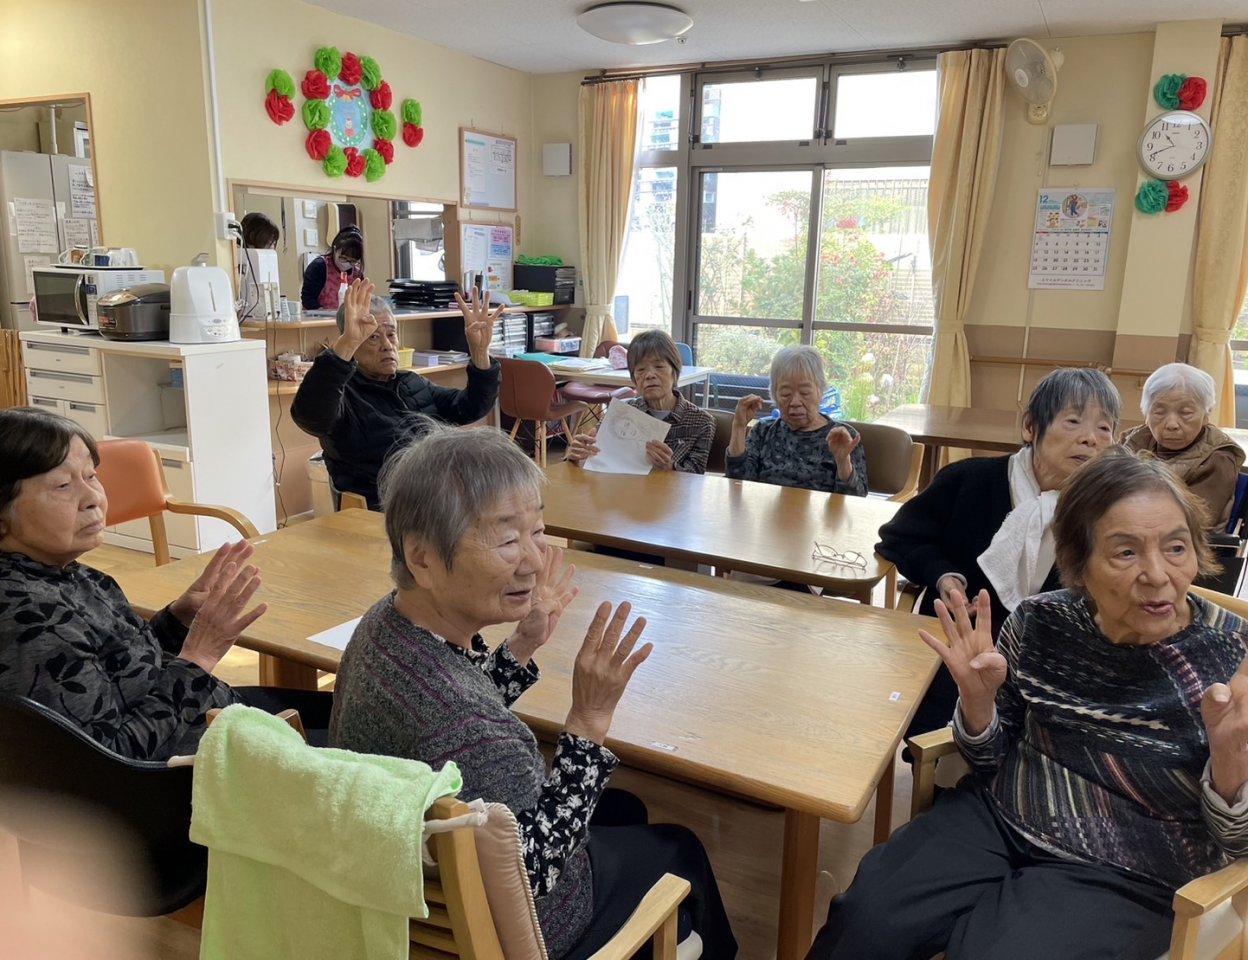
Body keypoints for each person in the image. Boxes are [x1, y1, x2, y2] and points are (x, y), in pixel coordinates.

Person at [808, 448, 1248, 960]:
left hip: (1130, 870)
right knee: (865, 922)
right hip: (998, 816)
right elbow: (989, 758)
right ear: (1077, 560)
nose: (1157, 574)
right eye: (1125, 552)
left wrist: (1231, 755)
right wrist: (978, 706)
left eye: (1176, 547)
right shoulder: (1040, 621)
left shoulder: (1247, 664)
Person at [330, 427, 737, 960]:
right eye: (507, 541)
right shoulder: (465, 723)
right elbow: (535, 869)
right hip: (538, 925)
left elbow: (455, 717)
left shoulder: (386, 624)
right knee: (681, 848)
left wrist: (521, 645)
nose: (535, 560)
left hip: (409, 888)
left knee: (624, 807)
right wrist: (588, 719)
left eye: (538, 531)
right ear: (422, 558)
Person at [0, 407, 329, 760]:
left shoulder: (64, 572)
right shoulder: (28, 621)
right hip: (193, 769)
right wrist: (198, 657)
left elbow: (124, 670)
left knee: (347, 710)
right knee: (360, 736)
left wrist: (178, 618)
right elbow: (111, 759)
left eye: (91, 476)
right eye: (63, 486)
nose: (93, 498)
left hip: (208, 714)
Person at [876, 366, 1122, 738]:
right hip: (961, 651)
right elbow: (900, 537)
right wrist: (945, 577)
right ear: (1030, 427)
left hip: (1050, 666)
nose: (1090, 438)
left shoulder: (1106, 512)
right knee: (938, 739)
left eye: (1104, 428)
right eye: (1073, 421)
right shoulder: (969, 480)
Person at [291, 278, 503, 510]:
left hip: (438, 500)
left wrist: (480, 352)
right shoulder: (344, 395)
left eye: (391, 335)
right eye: (373, 337)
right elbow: (311, 417)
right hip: (384, 510)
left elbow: (471, 406)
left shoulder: (411, 382)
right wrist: (346, 345)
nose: (387, 345)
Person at [564, 330, 716, 474]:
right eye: (641, 370)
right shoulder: (620, 411)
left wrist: (669, 467)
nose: (649, 375)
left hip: (670, 493)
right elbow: (594, 460)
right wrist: (575, 456)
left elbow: (697, 480)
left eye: (659, 367)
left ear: (675, 372)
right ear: (633, 379)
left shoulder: (701, 422)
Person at [724, 346, 868, 495]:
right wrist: (739, 427)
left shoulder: (842, 438)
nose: (795, 402)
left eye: (805, 393)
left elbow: (856, 500)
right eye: (786, 394)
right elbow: (738, 484)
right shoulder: (763, 431)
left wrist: (843, 462)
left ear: (820, 392)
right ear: (774, 395)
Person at [1122, 361, 1245, 531]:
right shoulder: (1131, 442)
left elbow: (1195, 520)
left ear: (1206, 415)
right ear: (1146, 414)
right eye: (1159, 412)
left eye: (1186, 413)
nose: (1172, 424)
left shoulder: (1218, 459)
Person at [300, 226, 365, 310]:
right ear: (335, 249)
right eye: (343, 258)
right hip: (318, 316)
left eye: (352, 261)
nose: (346, 263)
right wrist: (324, 313)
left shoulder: (357, 275)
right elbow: (307, 299)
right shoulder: (319, 267)